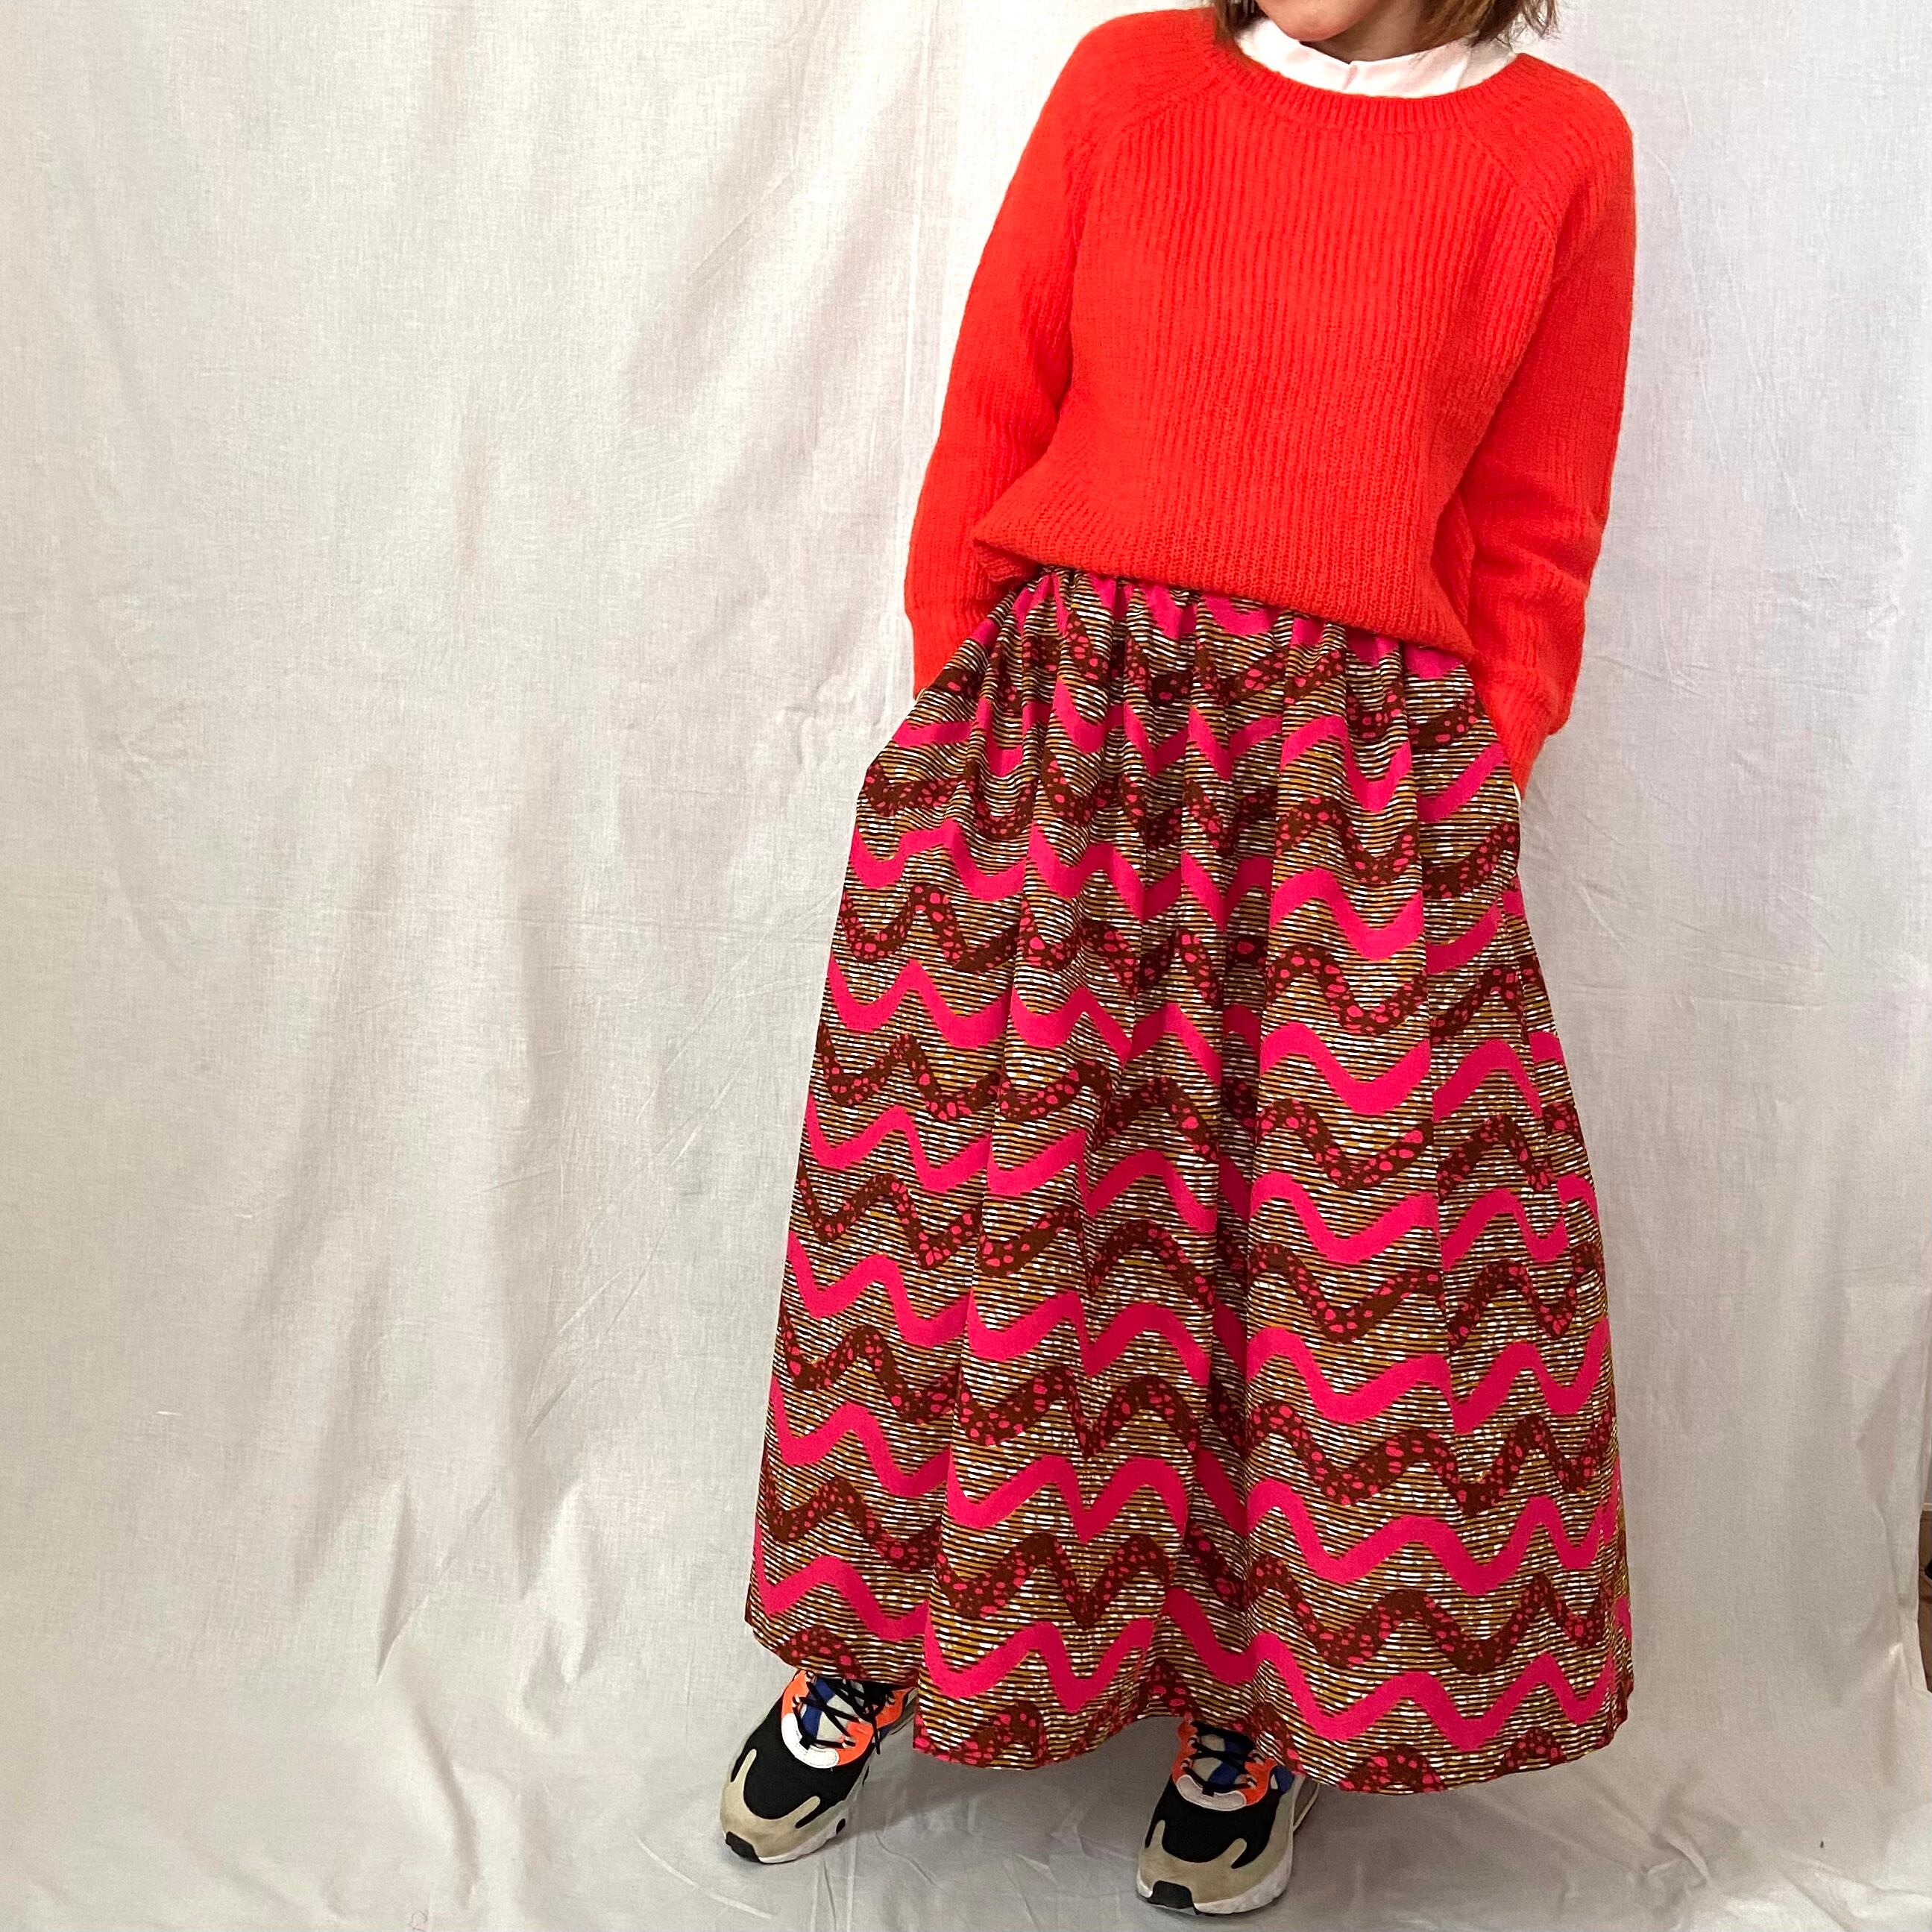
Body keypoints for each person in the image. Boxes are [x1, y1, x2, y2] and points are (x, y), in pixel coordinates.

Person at [722, 0, 1638, 1914]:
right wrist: (963, 707)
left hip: (1349, 783)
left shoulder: (1562, 153)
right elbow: (997, 410)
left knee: (1308, 1259)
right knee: (974, 1211)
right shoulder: (1130, 78)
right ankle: (877, 1639)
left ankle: (1254, 1699)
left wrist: (1477, 772)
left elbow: (1536, 527)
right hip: (1072, 736)